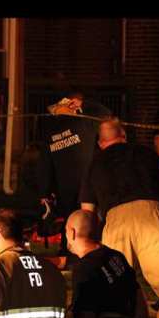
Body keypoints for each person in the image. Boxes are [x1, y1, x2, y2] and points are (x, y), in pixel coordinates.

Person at [80, 118, 159, 318]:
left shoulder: (94, 164)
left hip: (114, 223)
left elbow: (87, 213)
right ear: (123, 136)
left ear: (101, 143)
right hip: (150, 216)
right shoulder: (146, 153)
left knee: (114, 289)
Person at [38, 91, 111, 254]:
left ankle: (94, 251)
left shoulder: (85, 122)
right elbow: (45, 162)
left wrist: (85, 104)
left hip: (88, 184)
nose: (56, 109)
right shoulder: (50, 130)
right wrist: (45, 191)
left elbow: (106, 115)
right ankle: (67, 251)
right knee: (69, 221)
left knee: (90, 221)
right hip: (65, 187)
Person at [63, 209, 138, 318]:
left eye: (66, 230)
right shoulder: (116, 256)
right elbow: (137, 295)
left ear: (72, 232)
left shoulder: (85, 269)